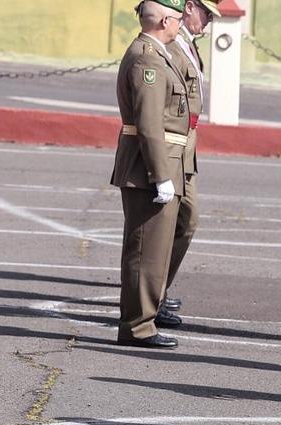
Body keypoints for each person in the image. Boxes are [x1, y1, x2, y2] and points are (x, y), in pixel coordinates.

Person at [110, 0, 192, 349]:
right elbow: (149, 122)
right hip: (148, 166)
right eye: (176, 19)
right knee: (145, 250)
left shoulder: (160, 52)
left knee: (154, 249)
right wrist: (160, 174)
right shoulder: (147, 57)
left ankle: (142, 319)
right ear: (162, 20)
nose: (179, 25)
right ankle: (137, 326)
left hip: (163, 160)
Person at [155, 0, 222, 328]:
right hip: (170, 145)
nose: (208, 22)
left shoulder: (189, 45)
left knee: (183, 220)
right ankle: (151, 296)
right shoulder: (169, 41)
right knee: (177, 220)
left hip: (185, 147)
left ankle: (157, 291)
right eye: (206, 14)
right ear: (190, 6)